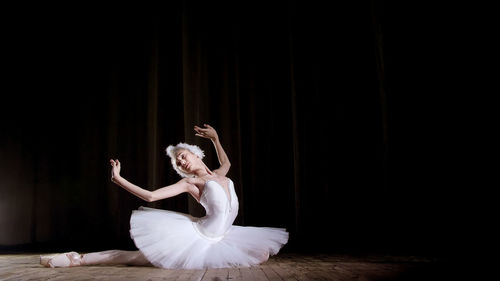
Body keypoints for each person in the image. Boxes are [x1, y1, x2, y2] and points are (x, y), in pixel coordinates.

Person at [40, 124, 288, 269]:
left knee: (263, 254)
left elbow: (226, 161)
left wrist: (216, 139)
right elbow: (150, 196)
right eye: (178, 161)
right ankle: (77, 259)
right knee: (131, 258)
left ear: (197, 154)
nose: (181, 161)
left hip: (224, 236)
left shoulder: (220, 175)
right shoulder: (192, 182)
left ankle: (76, 258)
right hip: (197, 238)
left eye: (183, 155)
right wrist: (119, 179)